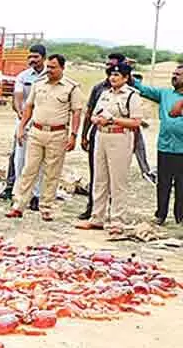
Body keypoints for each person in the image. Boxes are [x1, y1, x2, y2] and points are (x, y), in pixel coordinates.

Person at [6, 54, 84, 222]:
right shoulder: (38, 84)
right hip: (36, 132)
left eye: (53, 67)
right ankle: (18, 206)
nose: (49, 70)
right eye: (48, 67)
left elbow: (77, 112)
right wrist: (21, 127)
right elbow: (29, 107)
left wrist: (74, 135)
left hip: (57, 134)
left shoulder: (71, 88)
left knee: (51, 173)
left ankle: (46, 208)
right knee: (28, 170)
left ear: (62, 68)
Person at [76, 62, 142, 230]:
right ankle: (97, 217)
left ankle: (117, 219)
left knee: (118, 180)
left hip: (120, 137)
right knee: (100, 178)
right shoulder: (105, 93)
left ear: (126, 78)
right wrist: (96, 120)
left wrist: (113, 119)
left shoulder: (131, 95)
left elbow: (136, 122)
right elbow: (93, 114)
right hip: (101, 135)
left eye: (117, 75)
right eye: (111, 75)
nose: (112, 78)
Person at [133, 64, 183, 225]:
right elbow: (142, 89)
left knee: (182, 185)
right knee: (163, 183)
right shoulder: (165, 94)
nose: (174, 76)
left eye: (178, 74)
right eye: (174, 73)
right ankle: (160, 214)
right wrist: (129, 72)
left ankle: (180, 216)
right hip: (165, 147)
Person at [2, 45, 47, 209]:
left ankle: (35, 195)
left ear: (43, 57)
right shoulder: (23, 76)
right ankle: (18, 193)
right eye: (30, 57)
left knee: (38, 161)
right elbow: (18, 97)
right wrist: (22, 116)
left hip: (43, 123)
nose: (32, 60)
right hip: (24, 122)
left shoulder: (49, 76)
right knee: (19, 159)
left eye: (36, 57)